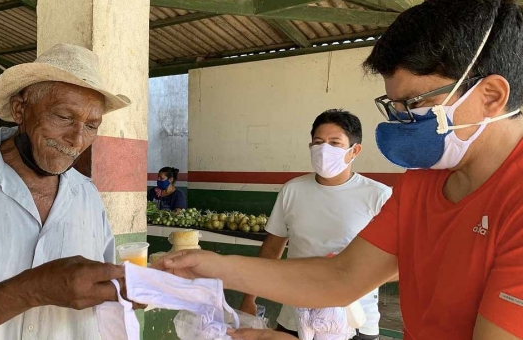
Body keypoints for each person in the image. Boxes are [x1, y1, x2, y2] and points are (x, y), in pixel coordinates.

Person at [155, 0, 523, 339]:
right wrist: (212, 266)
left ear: (490, 95)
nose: (403, 120)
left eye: (415, 103)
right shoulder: (423, 182)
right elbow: (343, 276)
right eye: (394, 107)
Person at [0, 43, 142, 340]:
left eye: (91, 126)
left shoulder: (86, 195)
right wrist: (35, 289)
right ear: (20, 110)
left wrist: (128, 289)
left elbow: (104, 298)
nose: (77, 140)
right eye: (64, 117)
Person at [239, 110, 391, 340]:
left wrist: (350, 274)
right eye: (318, 142)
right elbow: (271, 251)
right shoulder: (293, 190)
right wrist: (249, 298)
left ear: (355, 150)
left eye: (334, 143)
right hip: (295, 318)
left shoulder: (377, 196)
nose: (324, 150)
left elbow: (400, 262)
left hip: (356, 322)